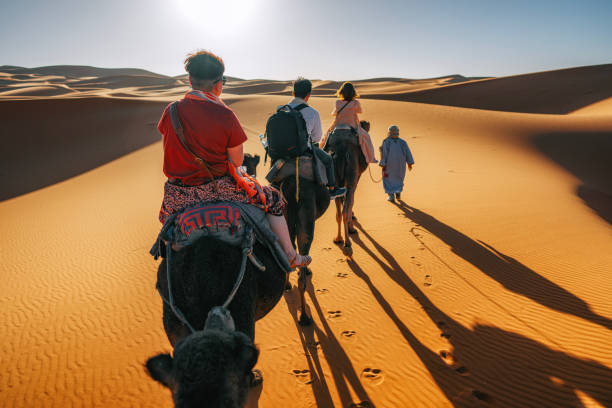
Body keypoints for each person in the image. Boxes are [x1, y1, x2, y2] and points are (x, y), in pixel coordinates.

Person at [157, 50, 311, 268]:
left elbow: (169, 145)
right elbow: (237, 161)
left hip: (178, 194)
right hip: (220, 188)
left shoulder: (170, 111)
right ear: (219, 84)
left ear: (190, 80)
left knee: (166, 230)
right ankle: (290, 255)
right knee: (274, 199)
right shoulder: (225, 115)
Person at [286, 78, 346, 199]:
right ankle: (332, 189)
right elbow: (317, 137)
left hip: (281, 151)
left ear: (293, 93)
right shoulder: (312, 112)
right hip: (302, 149)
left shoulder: (281, 109)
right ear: (308, 95)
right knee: (328, 159)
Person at [324, 82, 377, 163]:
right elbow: (360, 111)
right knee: (366, 137)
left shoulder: (337, 102)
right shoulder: (355, 103)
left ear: (341, 92)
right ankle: (371, 158)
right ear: (353, 93)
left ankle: (321, 154)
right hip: (352, 127)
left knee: (326, 137)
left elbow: (334, 113)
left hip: (338, 127)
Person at [379, 125, 415, 202]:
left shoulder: (386, 142)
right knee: (399, 178)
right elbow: (408, 153)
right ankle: (398, 193)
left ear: (389, 133)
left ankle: (391, 196)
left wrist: (383, 164)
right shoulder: (402, 142)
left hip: (389, 166)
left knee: (388, 179)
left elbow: (384, 154)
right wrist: (409, 163)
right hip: (400, 166)